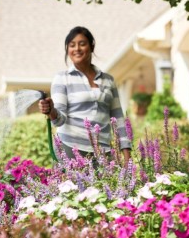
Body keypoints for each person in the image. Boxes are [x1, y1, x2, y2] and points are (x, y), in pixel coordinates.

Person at [39, 26, 131, 167]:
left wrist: (127, 157)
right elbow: (59, 120)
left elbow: (118, 119)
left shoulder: (108, 80)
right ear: (67, 50)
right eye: (72, 45)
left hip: (103, 151)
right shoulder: (62, 78)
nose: (77, 49)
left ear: (91, 46)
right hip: (70, 148)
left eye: (82, 44)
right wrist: (50, 110)